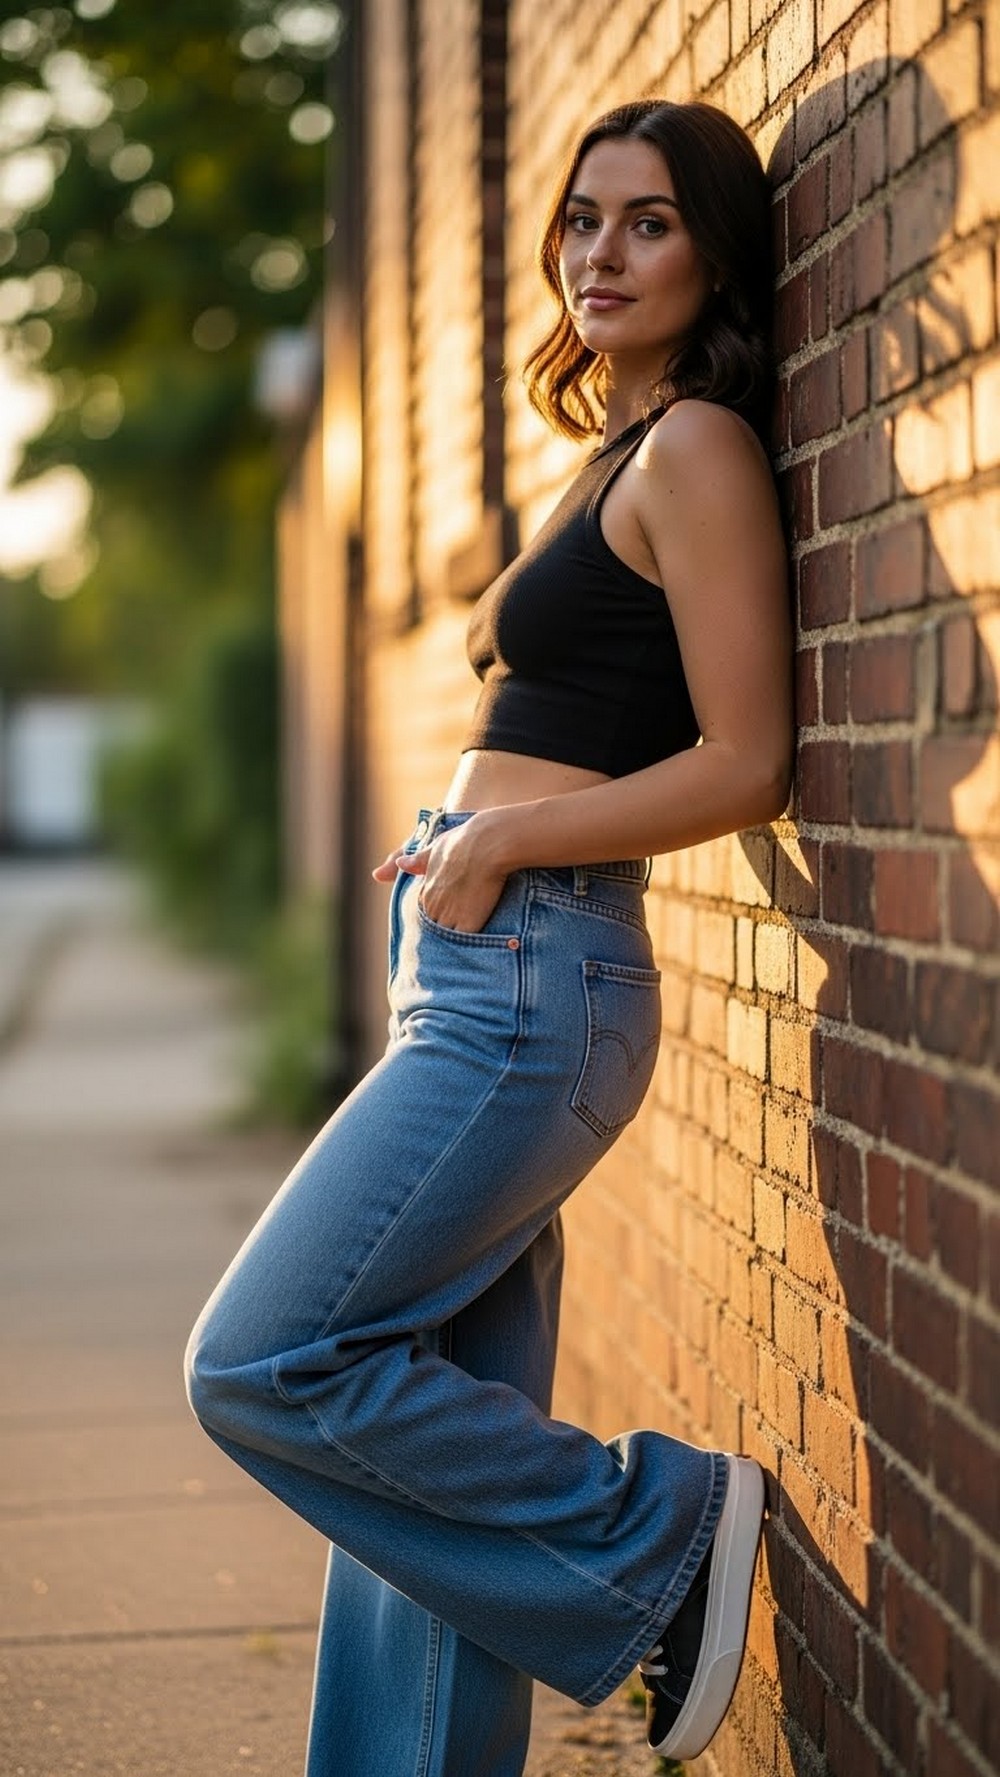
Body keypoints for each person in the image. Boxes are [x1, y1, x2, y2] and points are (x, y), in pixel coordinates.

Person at [185, 96, 793, 1777]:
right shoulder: (624, 443)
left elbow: (748, 760)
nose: (603, 252)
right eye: (585, 218)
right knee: (416, 1432)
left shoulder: (699, 451)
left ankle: (657, 1528)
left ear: (715, 251)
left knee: (263, 1360)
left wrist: (507, 834)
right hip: (481, 960)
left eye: (651, 221)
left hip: (536, 975)